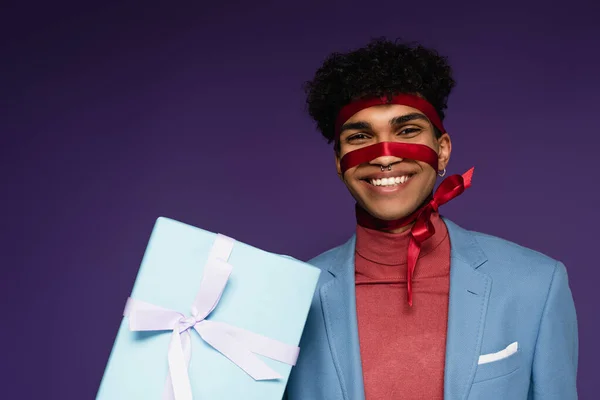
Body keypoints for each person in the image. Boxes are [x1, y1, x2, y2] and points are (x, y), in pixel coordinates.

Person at [284, 38, 578, 399]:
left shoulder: (536, 284)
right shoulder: (290, 298)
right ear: (339, 163)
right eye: (360, 136)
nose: (385, 156)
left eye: (407, 131)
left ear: (442, 152)